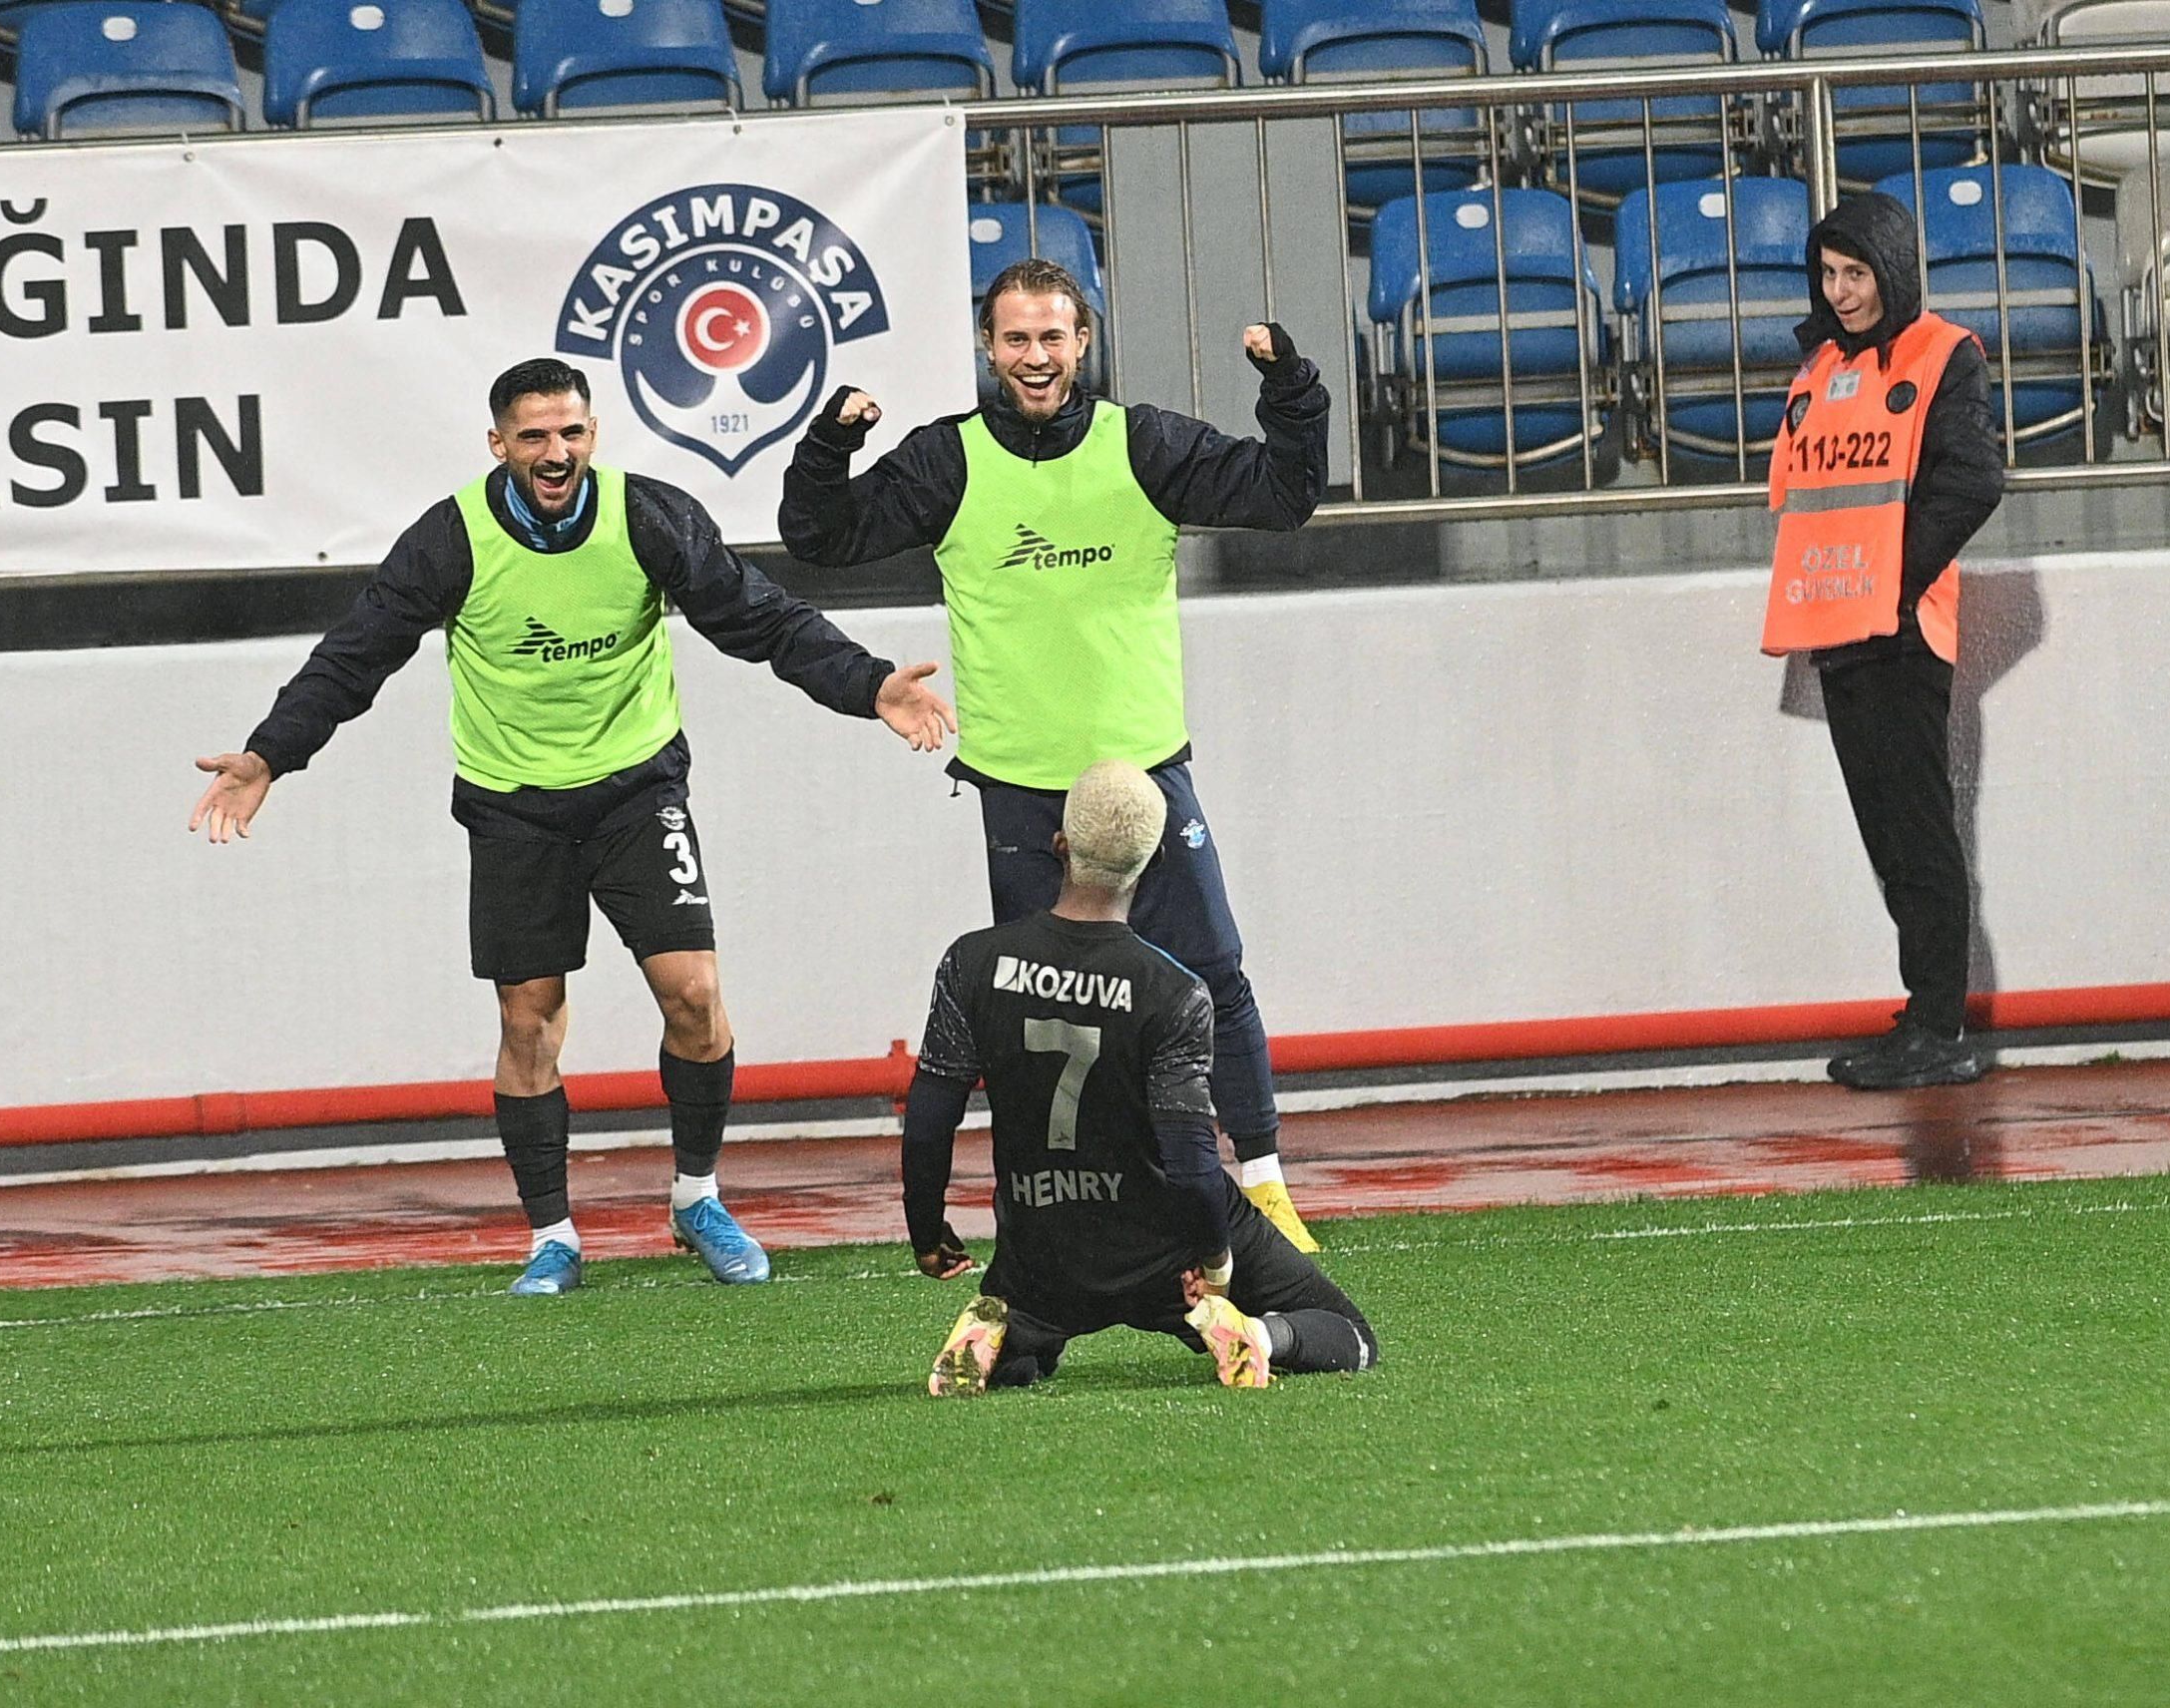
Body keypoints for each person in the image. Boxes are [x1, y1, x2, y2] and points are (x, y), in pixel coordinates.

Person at [191, 357, 955, 1295]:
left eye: (573, 433)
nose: (557, 454)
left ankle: (697, 1199)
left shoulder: (649, 517)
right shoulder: (451, 540)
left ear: (593, 434)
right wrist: (269, 755)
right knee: (528, 1021)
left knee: (695, 997)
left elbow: (761, 619)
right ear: (499, 445)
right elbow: (353, 660)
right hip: (514, 809)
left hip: (638, 792)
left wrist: (867, 683)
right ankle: (553, 1236)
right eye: (536, 437)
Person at [779, 256, 1333, 1252]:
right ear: (990, 349)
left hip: (1143, 779)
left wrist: (1289, 390)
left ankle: (1265, 1181)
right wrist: (829, 443)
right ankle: (1070, 1204)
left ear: (1083, 343)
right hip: (1021, 789)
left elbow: (1284, 494)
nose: (1035, 356)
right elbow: (819, 533)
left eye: (1053, 336)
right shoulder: (946, 461)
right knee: (1041, 1009)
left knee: (1211, 972)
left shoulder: (1144, 443)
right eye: (1016, 338)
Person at [902, 760, 1381, 1396]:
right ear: (1154, 862)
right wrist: (1215, 1266)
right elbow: (1191, 1164)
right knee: (1351, 1337)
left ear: (1060, 847)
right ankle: (1259, 1337)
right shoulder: (1175, 991)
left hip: (1044, 1250)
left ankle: (1007, 1332)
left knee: (1029, 1313)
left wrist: (926, 1233)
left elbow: (931, 1119)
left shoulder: (973, 961)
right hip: (1164, 1252)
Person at [1762, 192, 2004, 1090]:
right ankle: (1924, 1015)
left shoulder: (1946, 355)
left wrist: (1889, 582)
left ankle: (1940, 1026)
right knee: (1890, 837)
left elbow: (1977, 479)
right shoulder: (1818, 368)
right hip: (1839, 632)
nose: (1841, 291)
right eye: (1829, 275)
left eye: (1856, 273)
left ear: (1893, 271)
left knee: (1921, 829)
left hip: (1900, 630)